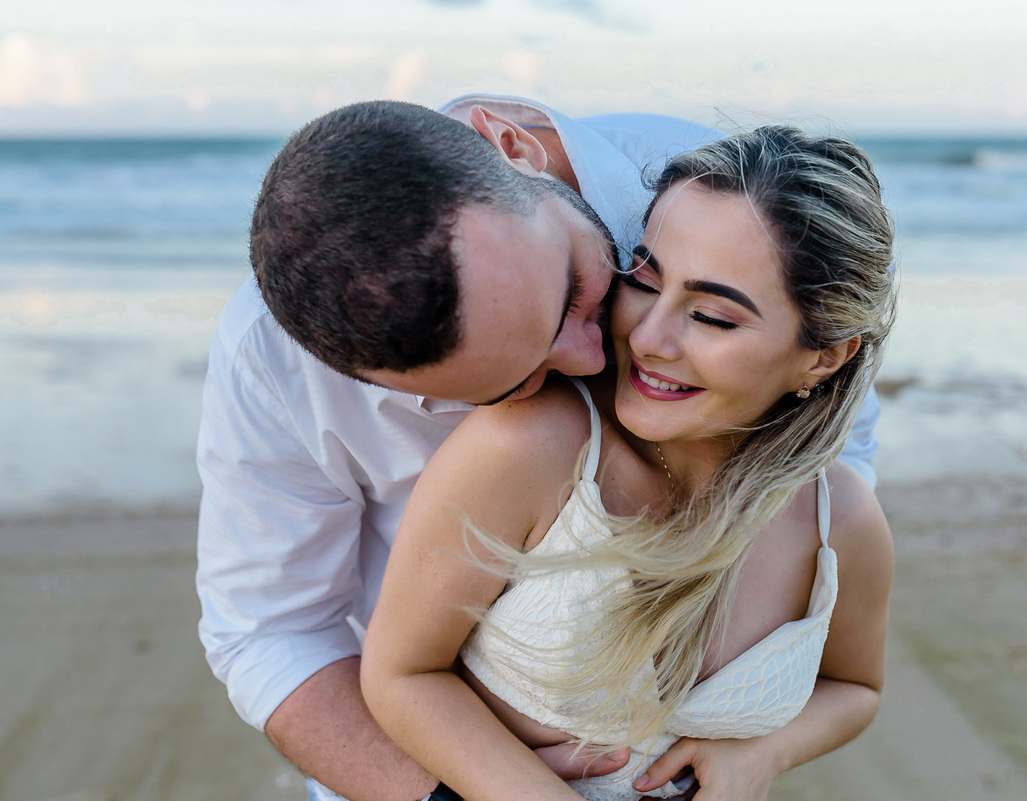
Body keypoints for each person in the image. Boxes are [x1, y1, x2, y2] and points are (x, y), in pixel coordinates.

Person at [196, 96, 883, 801]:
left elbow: (825, 447)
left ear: (512, 147)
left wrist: (752, 730)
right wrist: (451, 791)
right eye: (513, 383)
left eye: (577, 296)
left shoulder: (714, 204)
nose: (598, 362)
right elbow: (271, 632)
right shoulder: (276, 358)